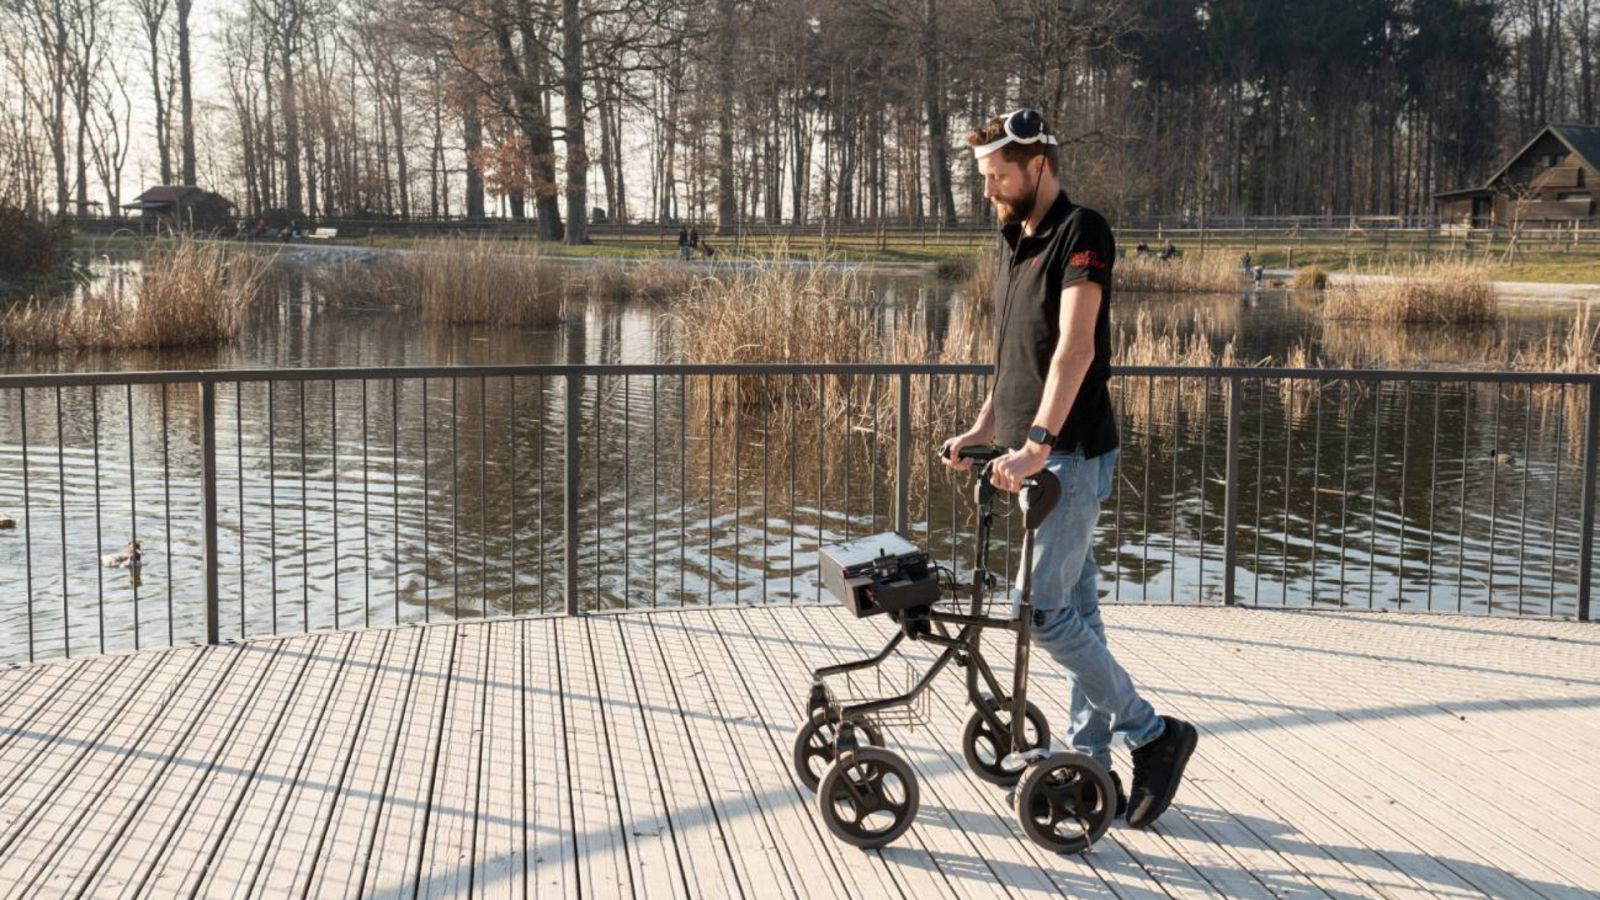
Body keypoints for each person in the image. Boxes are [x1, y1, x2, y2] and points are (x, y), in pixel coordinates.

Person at [940, 108, 1198, 831]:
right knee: (1078, 613)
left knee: (1041, 612)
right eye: (985, 176)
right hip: (1034, 452)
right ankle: (1092, 760)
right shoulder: (1013, 238)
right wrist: (989, 428)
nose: (990, 188)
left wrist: (1040, 443)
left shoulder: (1083, 232)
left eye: (1000, 175)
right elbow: (1015, 353)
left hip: (1072, 455)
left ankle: (1152, 734)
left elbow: (1074, 351)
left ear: (1040, 166)